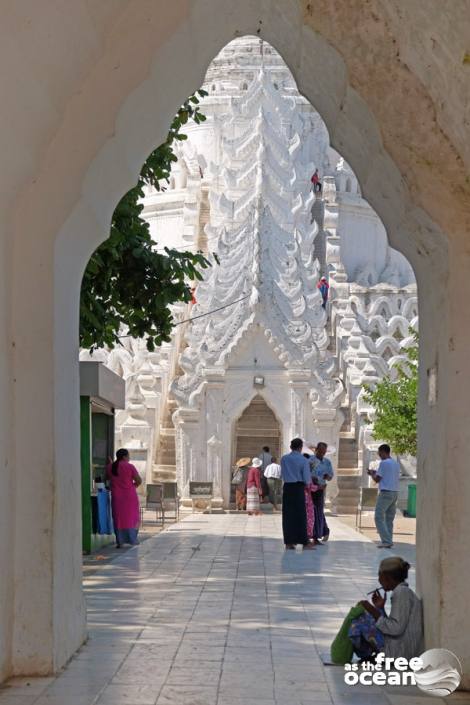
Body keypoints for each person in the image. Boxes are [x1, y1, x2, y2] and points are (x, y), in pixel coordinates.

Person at [352, 557, 423, 661]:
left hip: (400, 653)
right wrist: (380, 608)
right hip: (399, 647)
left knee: (361, 620)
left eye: (379, 575)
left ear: (386, 577)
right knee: (369, 617)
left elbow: (396, 629)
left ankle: (370, 655)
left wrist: (372, 610)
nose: (379, 579)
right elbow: (394, 624)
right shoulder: (401, 592)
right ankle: (374, 655)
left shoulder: (402, 593)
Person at [280, 438, 316, 550]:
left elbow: (283, 474)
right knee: (300, 515)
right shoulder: (303, 460)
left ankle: (289, 542)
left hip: (287, 487)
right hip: (299, 487)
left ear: (291, 447)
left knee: (288, 515)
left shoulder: (284, 459)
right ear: (300, 448)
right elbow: (307, 478)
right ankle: (303, 541)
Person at [106, 448, 142, 548]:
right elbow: (139, 480)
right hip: (129, 497)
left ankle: (120, 541)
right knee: (132, 517)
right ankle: (132, 539)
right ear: (124, 457)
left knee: (118, 518)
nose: (129, 458)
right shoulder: (130, 467)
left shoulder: (110, 467)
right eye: (128, 456)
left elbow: (108, 478)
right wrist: (134, 485)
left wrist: (111, 464)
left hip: (117, 497)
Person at [368, 444, 400, 548]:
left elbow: (377, 479)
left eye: (379, 453)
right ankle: (389, 540)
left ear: (383, 452)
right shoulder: (395, 463)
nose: (379, 455)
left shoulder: (384, 463)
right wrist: (375, 473)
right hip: (395, 492)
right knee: (389, 519)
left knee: (378, 517)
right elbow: (387, 475)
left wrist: (372, 474)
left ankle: (386, 540)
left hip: (385, 492)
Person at [309, 442, 334, 544]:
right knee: (312, 511)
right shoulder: (310, 461)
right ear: (316, 450)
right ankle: (321, 531)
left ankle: (318, 534)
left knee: (318, 511)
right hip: (311, 489)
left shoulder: (327, 462)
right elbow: (306, 474)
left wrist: (327, 476)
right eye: (320, 451)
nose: (322, 454)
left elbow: (331, 475)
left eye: (324, 452)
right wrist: (312, 478)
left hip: (320, 489)